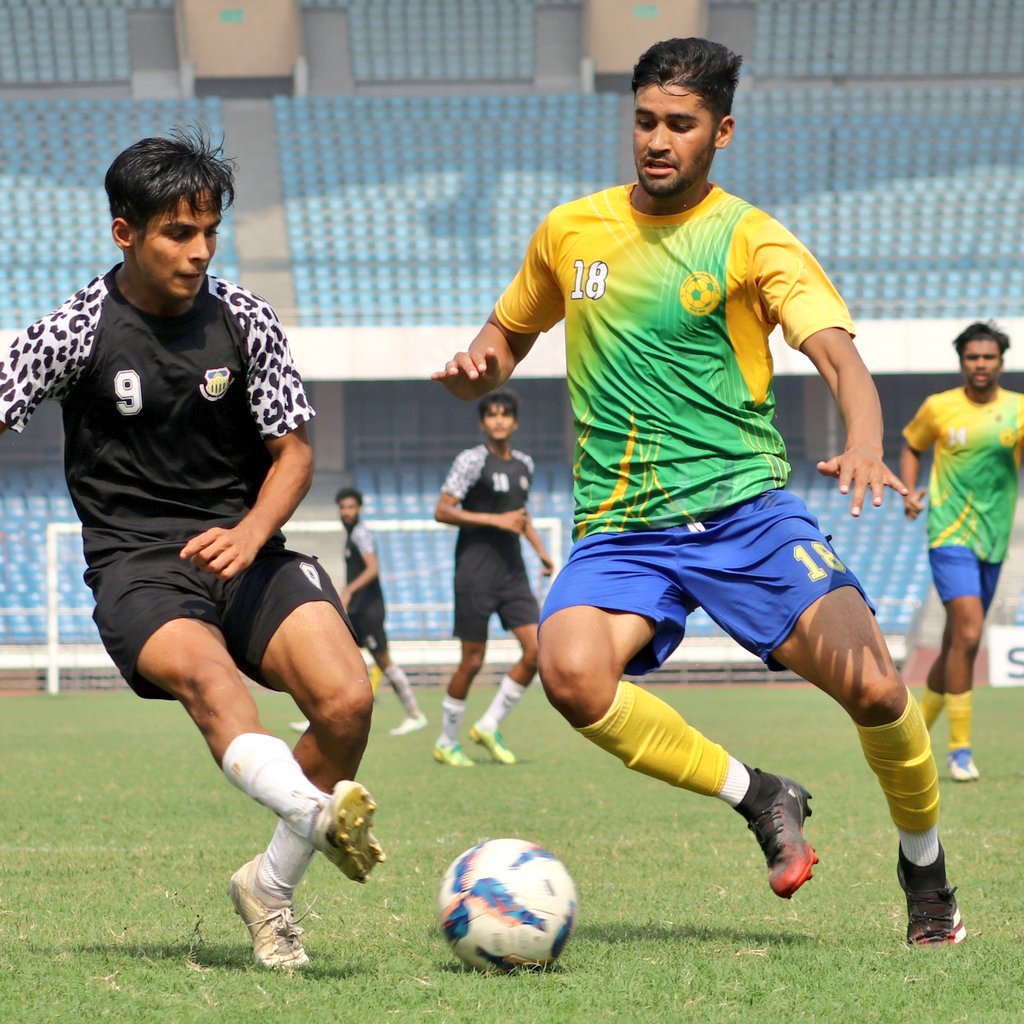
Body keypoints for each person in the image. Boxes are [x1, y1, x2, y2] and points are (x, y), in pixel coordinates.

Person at [431, 37, 965, 945]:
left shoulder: (751, 237)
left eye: (680, 124)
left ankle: (926, 873)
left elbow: (836, 352)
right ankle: (759, 794)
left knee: (878, 692)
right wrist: (480, 365)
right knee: (569, 674)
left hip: (747, 516)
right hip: (621, 528)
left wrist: (868, 442)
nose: (658, 140)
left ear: (720, 132)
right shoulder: (570, 231)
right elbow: (505, 335)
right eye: (644, 120)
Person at [0, 127, 385, 970]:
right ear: (125, 232)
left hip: (246, 551)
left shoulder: (245, 319)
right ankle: (316, 816)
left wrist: (251, 535)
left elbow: (295, 454)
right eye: (179, 233)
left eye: (211, 231)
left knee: (349, 702)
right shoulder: (73, 330)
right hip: (140, 568)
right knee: (215, 686)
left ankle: (269, 886)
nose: (200, 250)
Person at [899, 321, 1023, 783]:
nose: (981, 365)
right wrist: (910, 492)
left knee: (956, 642)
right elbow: (911, 447)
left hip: (993, 541)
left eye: (988, 357)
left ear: (1001, 363)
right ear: (962, 362)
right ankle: (959, 751)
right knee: (970, 635)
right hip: (949, 533)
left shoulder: (1018, 410)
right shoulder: (938, 408)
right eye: (973, 357)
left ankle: (913, 734)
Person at [431, 389, 554, 766]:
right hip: (475, 570)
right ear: (483, 423)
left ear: (514, 422)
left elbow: (520, 515)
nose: (499, 420)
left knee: (536, 651)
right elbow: (442, 510)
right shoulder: (471, 461)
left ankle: (488, 724)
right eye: (492, 415)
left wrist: (541, 552)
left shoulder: (525, 465)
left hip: (512, 571)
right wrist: (494, 520)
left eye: (505, 415)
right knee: (472, 660)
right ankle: (446, 741)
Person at [289, 486, 427, 736]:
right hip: (358, 611)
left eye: (351, 507)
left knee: (383, 661)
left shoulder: (361, 534)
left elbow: (373, 568)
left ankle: (415, 714)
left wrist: (349, 590)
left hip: (369, 611)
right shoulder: (351, 535)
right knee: (333, 657)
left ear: (360, 509)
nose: (347, 512)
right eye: (343, 508)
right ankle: (318, 717)